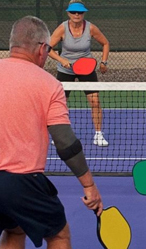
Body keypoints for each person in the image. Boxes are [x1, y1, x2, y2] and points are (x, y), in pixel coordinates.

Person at [0, 16, 103, 249]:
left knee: (13, 231)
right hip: (22, 179)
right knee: (60, 235)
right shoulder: (48, 84)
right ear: (42, 49)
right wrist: (90, 186)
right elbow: (66, 143)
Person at [48, 0, 110, 147]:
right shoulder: (62, 28)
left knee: (95, 101)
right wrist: (61, 59)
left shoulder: (91, 28)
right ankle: (60, 135)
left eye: (80, 12)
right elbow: (47, 48)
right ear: (69, 13)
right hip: (65, 70)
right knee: (61, 104)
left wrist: (103, 62)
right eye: (74, 12)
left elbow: (105, 43)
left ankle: (98, 135)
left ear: (83, 13)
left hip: (86, 69)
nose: (77, 15)